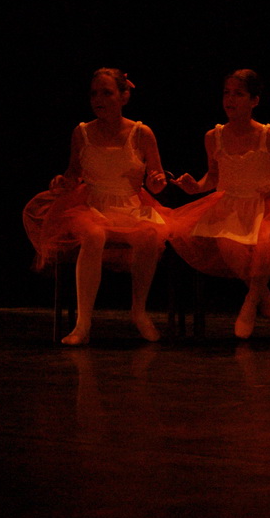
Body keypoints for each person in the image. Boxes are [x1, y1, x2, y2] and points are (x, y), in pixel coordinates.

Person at [170, 69, 270, 339]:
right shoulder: (213, 136)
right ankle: (263, 294)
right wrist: (195, 187)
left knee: (266, 243)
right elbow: (214, 176)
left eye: (238, 94)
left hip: (265, 204)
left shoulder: (268, 135)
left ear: (254, 100)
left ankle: (250, 302)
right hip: (229, 205)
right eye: (226, 93)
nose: (230, 99)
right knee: (228, 243)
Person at [23, 68, 170, 345]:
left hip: (129, 205)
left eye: (106, 93)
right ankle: (83, 324)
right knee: (93, 234)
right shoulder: (82, 132)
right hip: (91, 203)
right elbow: (73, 173)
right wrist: (62, 182)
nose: (98, 99)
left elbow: (157, 181)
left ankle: (138, 311)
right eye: (94, 94)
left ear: (124, 96)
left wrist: (157, 181)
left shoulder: (141, 133)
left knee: (150, 236)